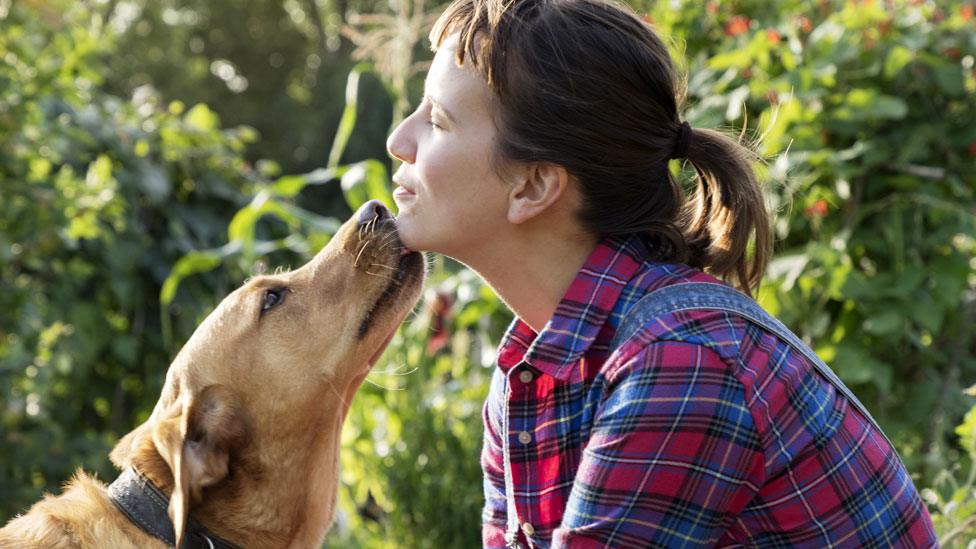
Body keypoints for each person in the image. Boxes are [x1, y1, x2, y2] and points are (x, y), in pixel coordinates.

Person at [385, 0, 938, 546]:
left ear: (532, 186)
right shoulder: (531, 365)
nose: (399, 142)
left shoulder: (681, 358)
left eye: (436, 120)